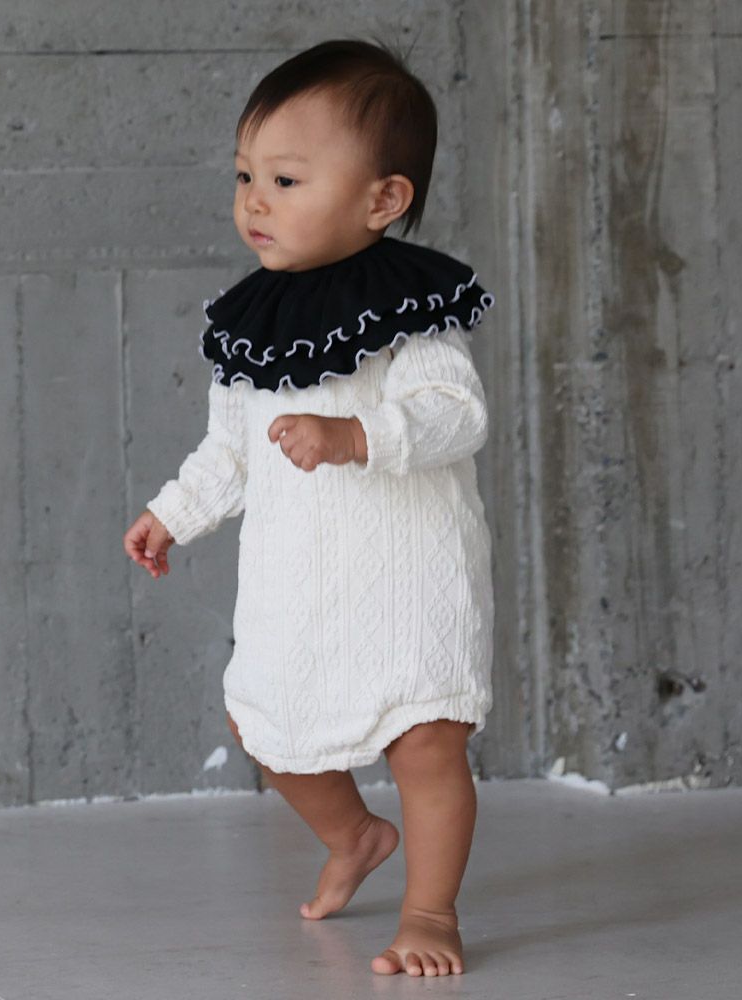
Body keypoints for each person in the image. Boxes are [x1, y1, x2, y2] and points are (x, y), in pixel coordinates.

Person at [123, 38, 495, 978]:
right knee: (265, 725)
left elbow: (457, 415)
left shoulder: (412, 309)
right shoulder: (250, 324)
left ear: (383, 199)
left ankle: (431, 913)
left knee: (426, 743)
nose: (255, 200)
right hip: (296, 583)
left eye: (286, 180)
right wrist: (174, 513)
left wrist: (357, 435)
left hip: (410, 577)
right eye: (245, 175)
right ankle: (355, 836)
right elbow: (229, 449)